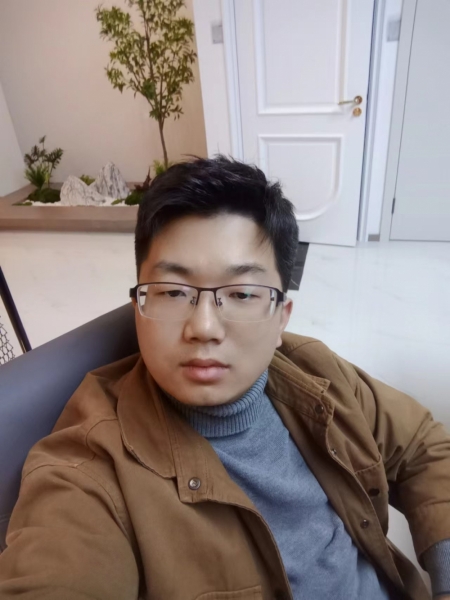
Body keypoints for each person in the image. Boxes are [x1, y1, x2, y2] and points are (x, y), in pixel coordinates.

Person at [0, 156, 449, 600]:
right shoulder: (88, 469)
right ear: (138, 307)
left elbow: (423, 446)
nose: (204, 328)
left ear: (281, 318)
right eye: (173, 291)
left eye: (242, 294)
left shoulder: (314, 370)